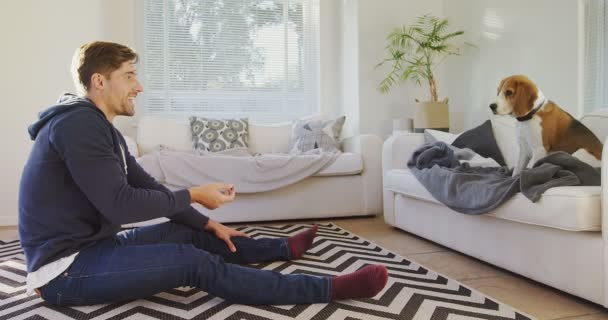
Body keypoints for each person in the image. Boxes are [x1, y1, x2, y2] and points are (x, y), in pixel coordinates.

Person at [18, 41, 388, 307]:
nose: (139, 86)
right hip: (64, 272)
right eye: (129, 76)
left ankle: (280, 248)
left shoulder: (100, 128)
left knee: (188, 230)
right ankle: (324, 289)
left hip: (95, 247)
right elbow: (121, 206)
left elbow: (145, 184)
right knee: (191, 262)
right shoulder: (78, 127)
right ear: (100, 81)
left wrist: (205, 222)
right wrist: (194, 194)